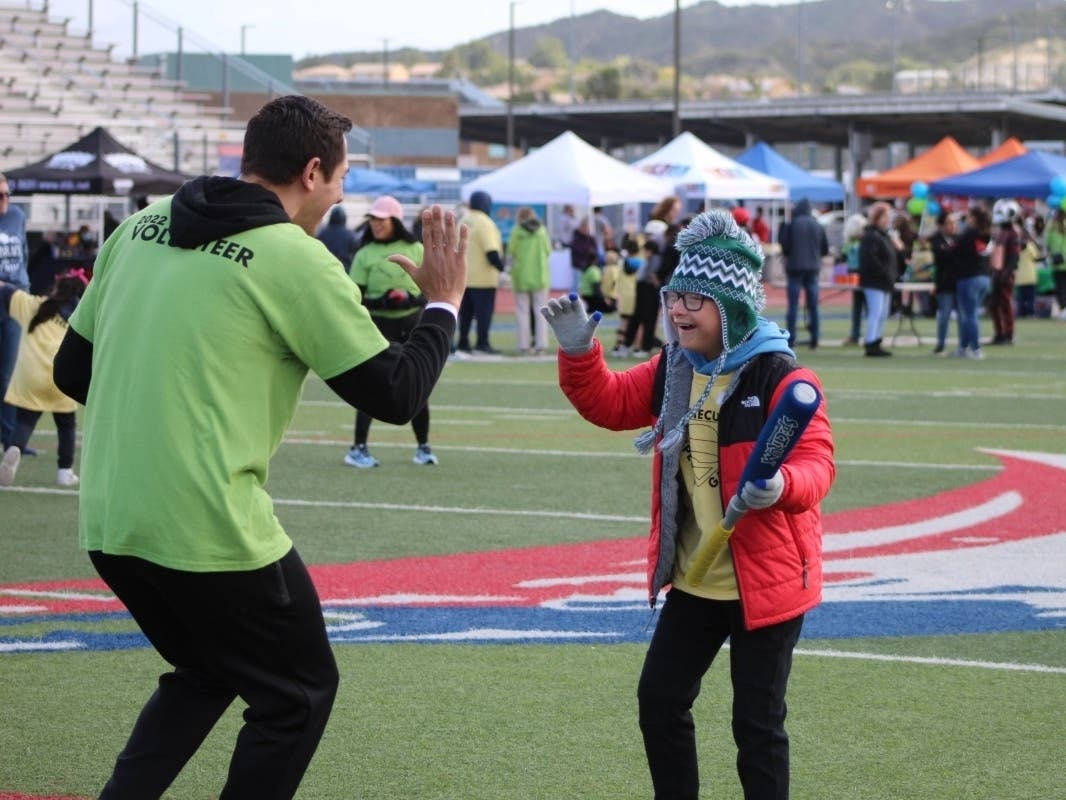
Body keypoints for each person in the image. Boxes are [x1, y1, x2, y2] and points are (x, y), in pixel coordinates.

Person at [51, 95, 467, 799]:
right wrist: (444, 305)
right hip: (209, 525)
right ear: (311, 171)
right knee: (298, 693)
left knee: (209, 672)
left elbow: (72, 373)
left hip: (111, 519)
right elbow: (396, 396)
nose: (338, 199)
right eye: (338, 182)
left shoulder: (141, 226)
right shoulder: (293, 259)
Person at [540, 209, 834, 800]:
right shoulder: (675, 367)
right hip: (696, 578)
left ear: (731, 309)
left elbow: (818, 464)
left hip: (768, 581)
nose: (676, 311)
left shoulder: (779, 374)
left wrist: (782, 488)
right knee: (660, 700)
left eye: (694, 301)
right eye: (675, 296)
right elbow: (609, 403)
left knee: (756, 725)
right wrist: (579, 352)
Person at [345, 194, 440, 468]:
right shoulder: (364, 254)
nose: (375, 224)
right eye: (372, 219)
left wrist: (410, 300)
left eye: (381, 220)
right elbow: (355, 296)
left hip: (412, 324)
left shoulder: (416, 250)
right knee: (372, 386)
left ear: (395, 221)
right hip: (379, 325)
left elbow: (430, 292)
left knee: (418, 384)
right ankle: (358, 448)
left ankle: (423, 447)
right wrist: (382, 301)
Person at [0, 269, 88, 487]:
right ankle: (65, 472)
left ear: (57, 288)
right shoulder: (80, 317)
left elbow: (7, 292)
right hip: (60, 378)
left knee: (25, 420)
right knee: (66, 426)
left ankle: (14, 449)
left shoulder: (36, 306)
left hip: (31, 377)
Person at [0, 173, 30, 452]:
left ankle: (10, 441)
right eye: (1, 195)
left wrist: (24, 286)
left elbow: (24, 253)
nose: (6, 200)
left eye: (8, 193)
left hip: (15, 300)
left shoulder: (17, 216)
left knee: (10, 374)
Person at [456, 190, 504, 354]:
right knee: (483, 314)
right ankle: (482, 343)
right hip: (483, 278)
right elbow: (491, 252)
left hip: (463, 277)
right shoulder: (485, 223)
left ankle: (463, 341)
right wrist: (502, 267)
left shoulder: (463, 220)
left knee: (466, 313)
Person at [778, 197, 828, 350]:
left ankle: (791, 338)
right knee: (813, 305)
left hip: (794, 268)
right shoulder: (817, 225)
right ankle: (815, 337)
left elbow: (784, 246)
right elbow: (824, 249)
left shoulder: (792, 225)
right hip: (813, 268)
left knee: (793, 305)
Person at [508, 206, 552, 355]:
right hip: (540, 276)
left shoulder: (517, 231)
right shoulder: (542, 231)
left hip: (521, 276)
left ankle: (524, 345)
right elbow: (548, 251)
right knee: (540, 312)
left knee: (522, 312)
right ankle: (541, 344)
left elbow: (511, 252)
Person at [951, 204, 993, 359]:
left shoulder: (968, 234)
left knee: (969, 315)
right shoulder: (986, 234)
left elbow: (954, 251)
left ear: (974, 218)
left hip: (968, 277)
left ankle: (975, 348)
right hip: (984, 277)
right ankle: (964, 347)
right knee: (970, 314)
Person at [858, 202, 900, 357]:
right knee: (875, 313)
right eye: (884, 217)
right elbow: (871, 259)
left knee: (882, 313)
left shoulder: (884, 235)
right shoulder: (871, 235)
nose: (887, 220)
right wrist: (884, 272)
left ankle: (877, 340)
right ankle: (871, 342)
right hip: (875, 281)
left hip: (884, 281)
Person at [988, 200, 1020, 345]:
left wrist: (1006, 274)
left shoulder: (1012, 234)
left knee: (1005, 304)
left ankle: (1008, 333)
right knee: (994, 304)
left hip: (1005, 274)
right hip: (997, 273)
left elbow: (1014, 257)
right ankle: (999, 333)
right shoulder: (1002, 232)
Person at [929, 210, 959, 355]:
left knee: (963, 315)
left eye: (954, 223)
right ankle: (940, 344)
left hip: (959, 282)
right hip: (944, 282)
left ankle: (963, 344)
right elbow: (943, 255)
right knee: (944, 315)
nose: (952, 226)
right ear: (940, 225)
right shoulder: (936, 239)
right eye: (949, 223)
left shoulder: (959, 238)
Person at [841, 212, 868, 346]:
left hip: (856, 274)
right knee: (864, 307)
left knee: (859, 306)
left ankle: (856, 335)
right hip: (861, 274)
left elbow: (843, 257)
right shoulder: (861, 242)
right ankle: (863, 335)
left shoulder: (851, 243)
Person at [611, 239, 641, 356]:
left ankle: (619, 346)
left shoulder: (622, 263)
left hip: (624, 296)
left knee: (624, 321)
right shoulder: (641, 262)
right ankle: (637, 347)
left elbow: (617, 279)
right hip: (637, 294)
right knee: (637, 323)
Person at [316, 204, 358, 272]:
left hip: (325, 267)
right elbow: (355, 251)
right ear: (344, 218)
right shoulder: (349, 234)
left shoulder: (322, 233)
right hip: (344, 269)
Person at [1046, 208, 1066, 319]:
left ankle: (1063, 309)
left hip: (1056, 262)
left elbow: (1047, 243)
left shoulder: (1051, 227)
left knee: (1060, 288)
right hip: (1062, 261)